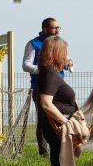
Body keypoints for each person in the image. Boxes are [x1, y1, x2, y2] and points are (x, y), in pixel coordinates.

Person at [37, 35, 86, 166]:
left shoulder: (53, 73)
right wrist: (65, 123)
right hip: (57, 128)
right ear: (56, 53)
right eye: (64, 52)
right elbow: (46, 103)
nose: (66, 55)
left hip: (60, 127)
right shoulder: (49, 73)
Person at [22, 18, 71, 156]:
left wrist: (68, 64)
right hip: (40, 87)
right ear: (45, 29)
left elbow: (65, 60)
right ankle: (44, 153)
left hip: (58, 88)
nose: (57, 31)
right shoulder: (33, 44)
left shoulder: (61, 43)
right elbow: (26, 64)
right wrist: (42, 70)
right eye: (54, 28)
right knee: (43, 120)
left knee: (59, 117)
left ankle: (62, 148)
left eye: (58, 28)